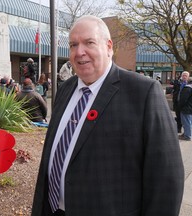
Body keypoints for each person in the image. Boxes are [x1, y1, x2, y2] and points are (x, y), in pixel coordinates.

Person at [31, 15, 184, 216]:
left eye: (89, 42)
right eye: (73, 45)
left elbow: (166, 178)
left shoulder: (143, 92)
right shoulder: (66, 89)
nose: (79, 52)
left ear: (109, 46)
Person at [178, 71, 192, 141]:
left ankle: (187, 136)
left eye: (186, 76)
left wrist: (180, 106)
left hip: (186, 108)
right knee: (187, 122)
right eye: (183, 75)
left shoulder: (187, 88)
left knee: (186, 122)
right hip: (189, 107)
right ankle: (186, 134)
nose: (184, 77)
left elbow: (183, 99)